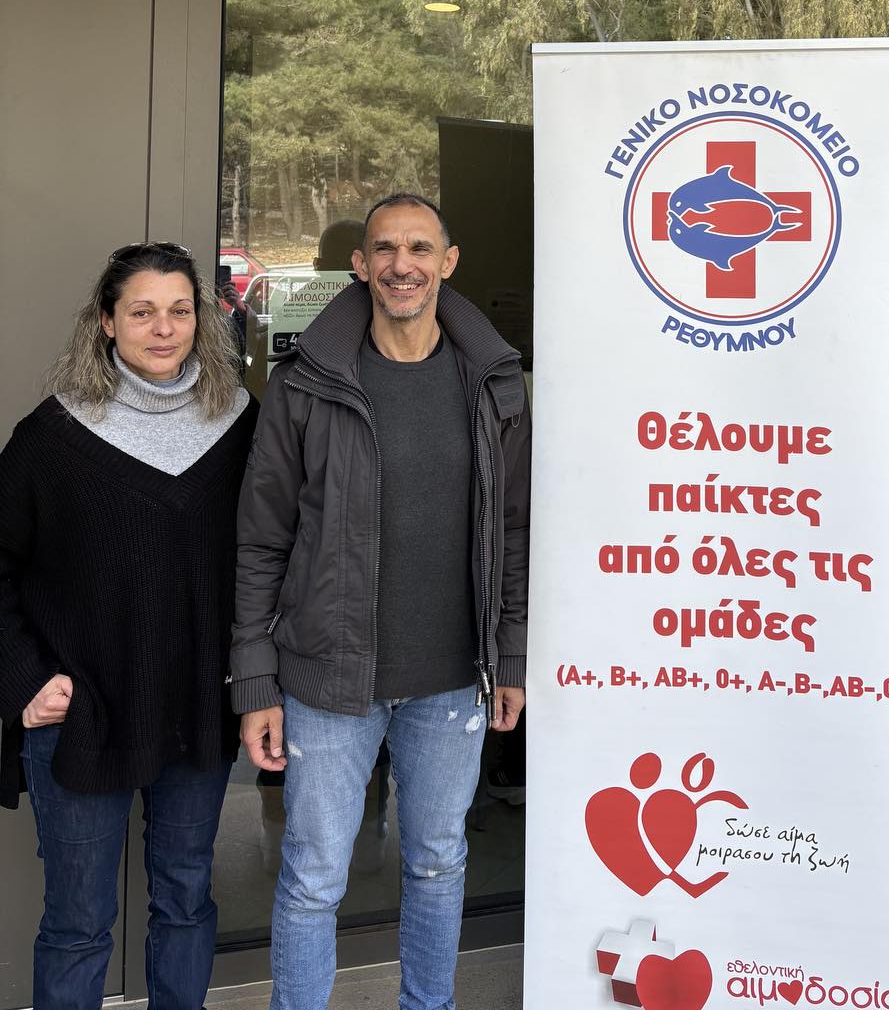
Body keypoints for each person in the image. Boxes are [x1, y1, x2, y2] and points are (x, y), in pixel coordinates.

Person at [231, 192, 530, 1010]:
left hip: (452, 682)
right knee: (313, 878)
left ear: (448, 262)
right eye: (386, 250)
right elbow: (260, 540)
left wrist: (509, 655)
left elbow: (512, 532)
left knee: (437, 864)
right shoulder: (307, 382)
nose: (404, 265)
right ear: (359, 266)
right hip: (328, 680)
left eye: (420, 248)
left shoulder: (493, 383)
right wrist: (255, 681)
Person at [0, 241, 257, 1010]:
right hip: (85, 716)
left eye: (179, 310)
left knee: (185, 903)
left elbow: (272, 557)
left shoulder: (239, 424)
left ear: (201, 320)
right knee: (78, 925)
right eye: (142, 312)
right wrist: (23, 680)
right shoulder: (52, 437)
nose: (163, 328)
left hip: (197, 712)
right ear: (107, 322)